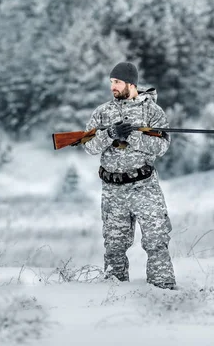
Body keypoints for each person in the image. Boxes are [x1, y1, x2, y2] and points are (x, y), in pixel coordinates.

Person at [83, 62, 176, 290]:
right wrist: (110, 135)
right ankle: (114, 295)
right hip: (113, 191)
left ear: (131, 84)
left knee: (156, 240)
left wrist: (132, 137)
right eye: (111, 83)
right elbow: (88, 145)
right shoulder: (103, 112)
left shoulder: (152, 112)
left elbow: (161, 147)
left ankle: (163, 291)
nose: (113, 87)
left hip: (144, 187)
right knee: (114, 247)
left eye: (117, 82)